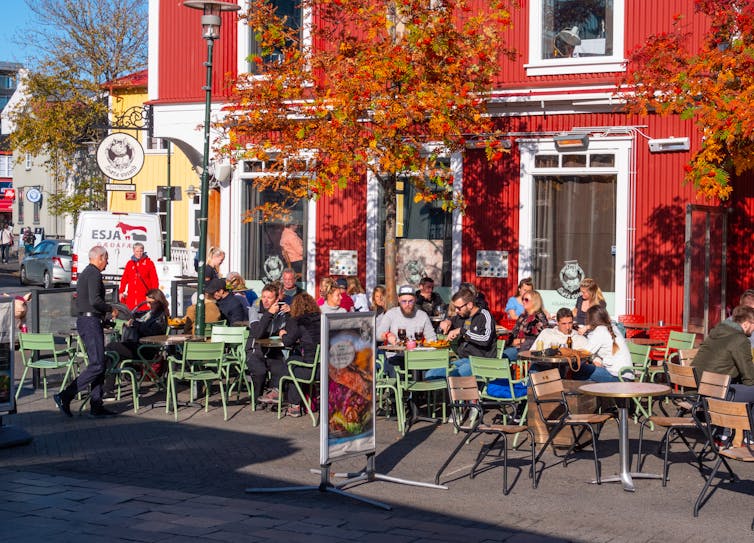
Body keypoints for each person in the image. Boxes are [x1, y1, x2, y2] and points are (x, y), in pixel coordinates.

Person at [54, 246, 118, 418]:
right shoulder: (94, 274)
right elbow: (95, 300)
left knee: (99, 363)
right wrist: (109, 308)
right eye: (106, 259)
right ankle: (65, 395)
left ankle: (96, 404)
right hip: (90, 322)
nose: (107, 262)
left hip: (87, 320)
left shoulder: (85, 273)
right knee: (97, 364)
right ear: (100, 258)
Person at [692, 305, 754, 409]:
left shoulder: (717, 332)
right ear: (746, 324)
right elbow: (749, 379)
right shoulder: (740, 340)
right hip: (714, 392)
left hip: (695, 387)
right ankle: (745, 423)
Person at [427, 287, 496, 378]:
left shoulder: (484, 316)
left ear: (470, 305)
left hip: (481, 362)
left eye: (458, 308)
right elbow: (448, 325)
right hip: (463, 360)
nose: (456, 311)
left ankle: (452, 391)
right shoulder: (461, 316)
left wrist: (462, 331)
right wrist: (446, 322)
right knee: (431, 374)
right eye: (455, 308)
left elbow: (485, 339)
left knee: (452, 375)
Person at [377, 285, 437, 375]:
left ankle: (421, 388)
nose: (407, 305)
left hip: (418, 357)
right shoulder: (391, 314)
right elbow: (378, 334)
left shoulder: (422, 315)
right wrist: (387, 335)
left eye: (410, 301)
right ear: (398, 300)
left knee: (428, 370)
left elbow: (432, 338)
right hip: (396, 356)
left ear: (415, 299)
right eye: (404, 301)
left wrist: (426, 345)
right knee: (396, 367)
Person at [279, 292, 321, 417]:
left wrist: (282, 334)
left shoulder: (299, 321)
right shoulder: (322, 319)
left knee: (290, 366)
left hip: (312, 370)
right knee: (292, 361)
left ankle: (293, 404)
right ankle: (295, 402)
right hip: (325, 368)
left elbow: (288, 342)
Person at [246, 283, 289, 405]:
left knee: (281, 368)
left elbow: (289, 331)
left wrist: (290, 313)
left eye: (269, 298)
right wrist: (269, 314)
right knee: (260, 371)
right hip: (255, 349)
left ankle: (273, 396)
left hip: (272, 349)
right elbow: (257, 333)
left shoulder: (281, 312)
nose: (265, 300)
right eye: (263, 297)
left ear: (276, 300)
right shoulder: (254, 309)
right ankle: (256, 400)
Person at [106, 288, 169, 369]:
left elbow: (151, 333)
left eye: (150, 303)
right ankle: (110, 377)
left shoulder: (160, 317)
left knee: (111, 347)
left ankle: (105, 377)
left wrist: (135, 324)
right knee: (112, 351)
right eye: (147, 302)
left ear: (158, 302)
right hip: (141, 347)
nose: (148, 305)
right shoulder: (153, 314)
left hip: (146, 350)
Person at [572, 306, 633, 382]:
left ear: (590, 319)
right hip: (625, 375)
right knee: (586, 372)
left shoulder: (600, 330)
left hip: (618, 377)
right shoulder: (612, 327)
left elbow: (585, 352)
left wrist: (570, 352)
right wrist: (587, 327)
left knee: (577, 369)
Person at [503, 290, 549, 362]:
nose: (523, 301)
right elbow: (514, 332)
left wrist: (521, 341)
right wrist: (510, 342)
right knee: (496, 354)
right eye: (522, 299)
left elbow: (540, 338)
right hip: (515, 347)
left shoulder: (539, 317)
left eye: (526, 299)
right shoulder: (522, 316)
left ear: (534, 301)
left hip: (527, 350)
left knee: (502, 356)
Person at [118, 242, 159, 310]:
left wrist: (154, 295)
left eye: (141, 251)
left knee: (144, 315)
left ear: (143, 251)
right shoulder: (130, 264)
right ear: (133, 251)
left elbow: (154, 280)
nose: (139, 253)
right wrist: (121, 291)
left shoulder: (149, 263)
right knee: (131, 316)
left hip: (144, 297)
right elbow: (124, 279)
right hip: (131, 298)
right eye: (137, 251)